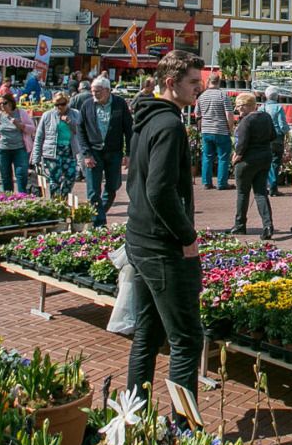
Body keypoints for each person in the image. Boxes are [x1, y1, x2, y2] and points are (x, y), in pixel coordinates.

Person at [125, 50, 208, 400]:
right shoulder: (170, 125)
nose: (198, 91)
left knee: (147, 333)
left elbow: (134, 179)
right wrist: (186, 234)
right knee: (187, 339)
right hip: (162, 246)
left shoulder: (145, 119)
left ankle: (134, 415)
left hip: (140, 238)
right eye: (192, 83)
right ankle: (184, 431)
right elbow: (158, 189)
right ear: (171, 84)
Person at [72, 76, 133, 227]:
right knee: (93, 190)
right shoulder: (87, 105)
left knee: (113, 186)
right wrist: (86, 154)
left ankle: (99, 213)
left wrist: (129, 153)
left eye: (98, 91)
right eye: (93, 91)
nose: (95, 94)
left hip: (114, 152)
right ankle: (99, 222)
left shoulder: (119, 104)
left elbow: (129, 128)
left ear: (107, 90)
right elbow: (80, 130)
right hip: (93, 152)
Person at [228, 92, 277, 240]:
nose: (237, 109)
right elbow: (273, 135)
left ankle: (240, 225)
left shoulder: (246, 121)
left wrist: (236, 157)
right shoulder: (266, 117)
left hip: (247, 161)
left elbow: (241, 144)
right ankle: (268, 225)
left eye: (239, 106)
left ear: (246, 106)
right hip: (264, 158)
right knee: (260, 192)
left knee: (243, 193)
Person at [32, 91, 83, 198]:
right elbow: (39, 137)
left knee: (71, 176)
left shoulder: (75, 114)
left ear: (67, 102)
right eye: (57, 104)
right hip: (52, 151)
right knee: (55, 178)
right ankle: (56, 202)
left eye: (62, 104)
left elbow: (80, 131)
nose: (59, 107)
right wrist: (36, 158)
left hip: (69, 150)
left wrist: (70, 122)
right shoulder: (47, 115)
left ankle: (63, 198)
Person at [0, 92, 37, 193]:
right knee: (5, 176)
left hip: (20, 149)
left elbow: (32, 129)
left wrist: (21, 125)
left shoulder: (21, 113)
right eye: (0, 104)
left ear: (11, 103)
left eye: (4, 103)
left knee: (21, 174)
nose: (2, 106)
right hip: (2, 150)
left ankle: (23, 196)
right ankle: (8, 197)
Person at [194, 73, 234, 191]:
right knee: (223, 157)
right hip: (221, 130)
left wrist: (201, 126)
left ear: (208, 81)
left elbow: (197, 114)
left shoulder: (202, 96)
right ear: (219, 81)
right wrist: (230, 128)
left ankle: (206, 182)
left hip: (206, 130)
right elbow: (229, 114)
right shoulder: (222, 95)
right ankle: (222, 183)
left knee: (207, 156)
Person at [260, 89, 289, 196]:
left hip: (264, 139)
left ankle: (265, 186)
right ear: (277, 97)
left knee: (265, 163)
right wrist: (287, 132)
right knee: (275, 162)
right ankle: (273, 187)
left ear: (266, 96)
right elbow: (282, 125)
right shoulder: (278, 107)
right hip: (277, 138)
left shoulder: (262, 108)